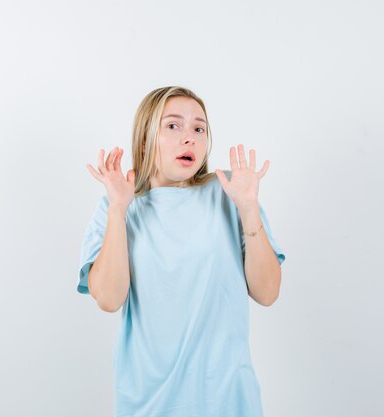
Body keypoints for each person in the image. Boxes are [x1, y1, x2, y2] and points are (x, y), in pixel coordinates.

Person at [77, 86, 286, 417]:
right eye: (173, 125)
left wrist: (248, 208)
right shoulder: (115, 206)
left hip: (227, 400)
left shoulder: (231, 193)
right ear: (145, 140)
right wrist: (119, 209)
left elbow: (268, 292)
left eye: (199, 128)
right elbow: (108, 298)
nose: (189, 138)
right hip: (149, 403)